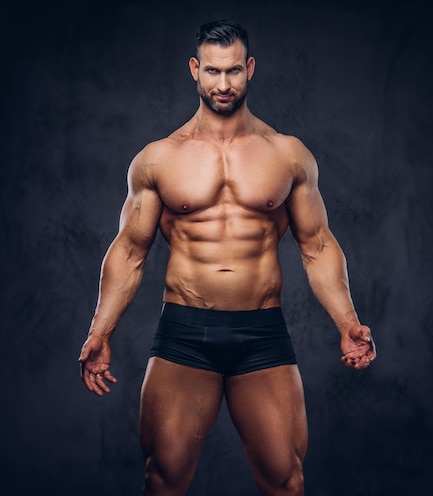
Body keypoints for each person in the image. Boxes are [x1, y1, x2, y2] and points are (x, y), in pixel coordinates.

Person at [78, 19, 376, 496]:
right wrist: (100, 331)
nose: (223, 84)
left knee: (287, 480)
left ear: (250, 69)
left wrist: (347, 322)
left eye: (234, 70)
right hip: (184, 333)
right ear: (194, 70)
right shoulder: (158, 159)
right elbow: (130, 251)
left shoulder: (288, 156)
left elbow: (317, 244)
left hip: (262, 333)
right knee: (163, 478)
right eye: (213, 71)